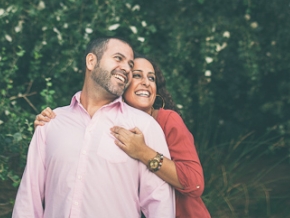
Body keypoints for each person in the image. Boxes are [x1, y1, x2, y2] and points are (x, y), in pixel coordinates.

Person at [12, 37, 175, 218]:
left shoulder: (143, 126)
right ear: (91, 61)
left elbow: (160, 203)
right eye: (118, 58)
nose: (127, 69)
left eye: (129, 64)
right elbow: (29, 199)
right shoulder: (51, 123)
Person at [36, 55, 211, 218]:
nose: (146, 83)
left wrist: (143, 152)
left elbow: (195, 183)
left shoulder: (167, 121)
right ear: (122, 83)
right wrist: (50, 126)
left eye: (151, 78)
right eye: (137, 76)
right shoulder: (105, 123)